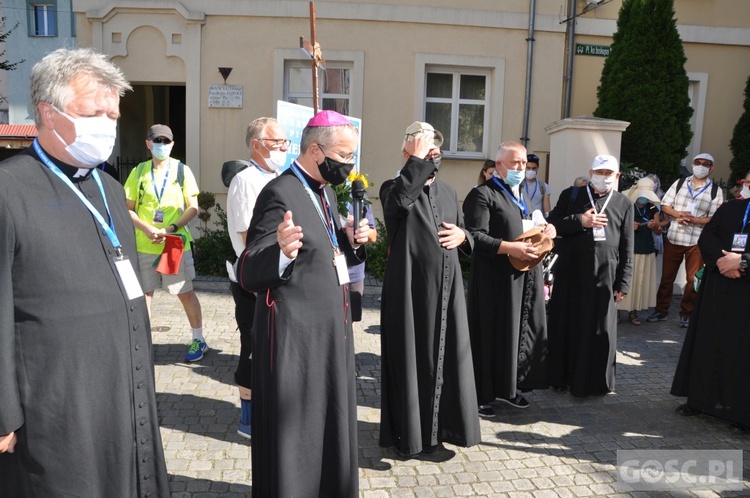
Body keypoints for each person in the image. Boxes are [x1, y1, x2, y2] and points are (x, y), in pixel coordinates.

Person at [0, 47, 169, 496]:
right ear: (48, 113)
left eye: (113, 114)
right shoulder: (8, 189)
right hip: (56, 401)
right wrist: (2, 414)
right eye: (95, 112)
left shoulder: (109, 186)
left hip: (122, 385)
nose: (108, 125)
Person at [237, 110, 370, 497]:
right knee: (300, 434)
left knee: (329, 426)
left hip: (328, 334)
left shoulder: (323, 190)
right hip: (296, 340)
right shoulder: (279, 193)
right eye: (344, 156)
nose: (349, 165)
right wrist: (279, 251)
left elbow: (322, 251)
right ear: (316, 150)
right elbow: (248, 268)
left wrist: (349, 241)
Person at [379, 121, 481, 458]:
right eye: (424, 150)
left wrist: (463, 238)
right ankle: (410, 437)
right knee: (413, 361)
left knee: (445, 361)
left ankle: (441, 431)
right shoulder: (393, 187)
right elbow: (398, 206)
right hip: (410, 294)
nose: (432, 155)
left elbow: (466, 233)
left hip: (448, 293)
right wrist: (416, 162)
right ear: (407, 151)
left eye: (435, 150)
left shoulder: (450, 192)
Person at [463, 141, 556, 417]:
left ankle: (509, 389)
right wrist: (510, 248)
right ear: (500, 165)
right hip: (494, 279)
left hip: (522, 277)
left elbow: (525, 226)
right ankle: (481, 395)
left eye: (524, 162)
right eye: (515, 163)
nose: (522, 168)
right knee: (489, 334)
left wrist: (544, 230)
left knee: (515, 334)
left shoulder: (521, 195)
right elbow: (474, 236)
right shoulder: (481, 195)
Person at [546, 155, 634, 397]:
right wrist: (580, 221)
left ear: (617, 177)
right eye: (599, 172)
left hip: (605, 275)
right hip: (571, 271)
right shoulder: (571, 195)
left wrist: (623, 281)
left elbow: (627, 245)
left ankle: (594, 383)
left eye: (609, 173)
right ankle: (560, 377)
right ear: (590, 172)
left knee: (597, 328)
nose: (603, 177)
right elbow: (553, 223)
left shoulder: (624, 203)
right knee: (566, 322)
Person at [670, 173, 750, 431]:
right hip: (719, 285)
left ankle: (741, 413)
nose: (746, 186)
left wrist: (743, 262)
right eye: (747, 182)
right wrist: (721, 262)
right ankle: (701, 400)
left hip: (745, 290)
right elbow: (707, 238)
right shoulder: (730, 208)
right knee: (708, 340)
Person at [226, 117, 288, 439]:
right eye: (276, 142)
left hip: (278, 275)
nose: (282, 148)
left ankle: (270, 408)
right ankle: (247, 418)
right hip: (252, 278)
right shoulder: (245, 181)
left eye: (285, 143)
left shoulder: (280, 178)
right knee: (251, 344)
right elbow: (250, 235)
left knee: (273, 345)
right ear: (256, 144)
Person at [124, 123, 206, 361]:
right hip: (144, 244)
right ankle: (144, 344)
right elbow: (127, 209)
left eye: (166, 141)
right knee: (144, 296)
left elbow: (193, 208)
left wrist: (169, 228)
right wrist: (148, 228)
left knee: (185, 292)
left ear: (172, 145)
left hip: (174, 245)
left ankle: (198, 339)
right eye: (157, 141)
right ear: (148, 144)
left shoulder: (182, 171)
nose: (162, 145)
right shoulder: (138, 172)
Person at [647, 153, 723, 328]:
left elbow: (715, 218)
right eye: (698, 162)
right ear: (693, 164)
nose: (701, 166)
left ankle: (687, 313)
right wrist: (678, 215)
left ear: (712, 168)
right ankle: (661, 310)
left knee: (692, 279)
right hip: (675, 236)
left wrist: (695, 220)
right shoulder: (680, 183)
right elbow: (665, 205)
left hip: (697, 241)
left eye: (706, 164)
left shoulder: (715, 191)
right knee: (667, 277)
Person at [617, 177, 662, 325]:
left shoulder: (650, 207)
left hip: (646, 248)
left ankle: (633, 312)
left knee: (639, 281)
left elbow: (658, 229)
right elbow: (617, 223)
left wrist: (654, 226)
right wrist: (631, 225)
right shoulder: (627, 204)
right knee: (625, 278)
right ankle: (617, 310)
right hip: (629, 247)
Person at [346, 191, 377, 322]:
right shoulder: (323, 190)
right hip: (328, 271)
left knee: (351, 321)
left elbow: (373, 235)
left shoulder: (359, 194)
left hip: (354, 273)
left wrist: (363, 231)